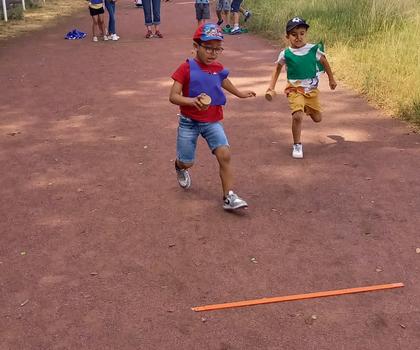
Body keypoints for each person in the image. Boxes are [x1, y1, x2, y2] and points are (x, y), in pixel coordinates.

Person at [169, 23, 256, 210]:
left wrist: (240, 93)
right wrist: (192, 101)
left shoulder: (218, 67)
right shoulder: (186, 68)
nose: (213, 53)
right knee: (187, 161)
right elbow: (173, 96)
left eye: (218, 49)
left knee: (224, 154)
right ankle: (179, 166)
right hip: (189, 122)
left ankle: (229, 196)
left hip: (212, 121)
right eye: (208, 48)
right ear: (196, 46)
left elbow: (223, 80)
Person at [266, 17, 337, 159]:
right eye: (294, 34)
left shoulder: (313, 49)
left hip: (311, 91)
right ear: (287, 37)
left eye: (302, 33)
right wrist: (271, 87)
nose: (298, 37)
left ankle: (306, 107)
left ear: (306, 34)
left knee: (318, 118)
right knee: (297, 116)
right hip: (294, 90)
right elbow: (277, 69)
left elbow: (324, 61)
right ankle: (297, 144)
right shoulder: (285, 53)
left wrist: (331, 78)